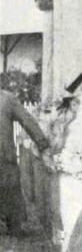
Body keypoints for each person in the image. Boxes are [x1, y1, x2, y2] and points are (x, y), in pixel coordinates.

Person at [0, 89, 50, 236]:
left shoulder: (7, 99)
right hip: (5, 155)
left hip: (5, 156)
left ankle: (14, 226)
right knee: (10, 189)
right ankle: (14, 226)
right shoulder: (7, 99)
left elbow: (27, 120)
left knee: (11, 190)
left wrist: (42, 142)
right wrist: (42, 143)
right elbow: (27, 120)